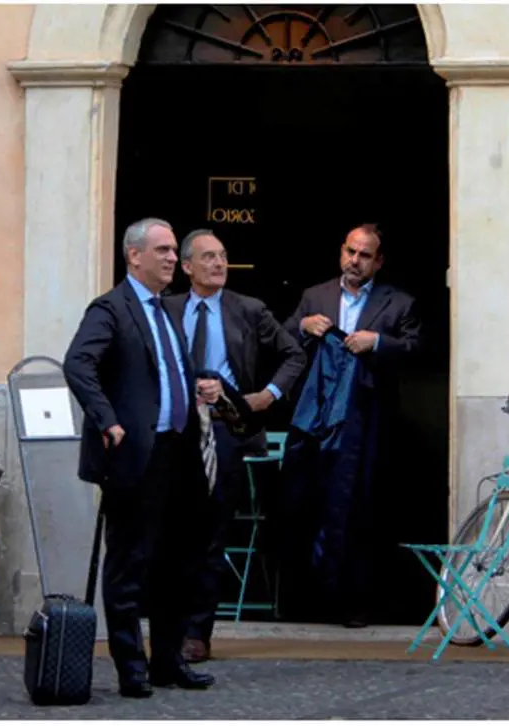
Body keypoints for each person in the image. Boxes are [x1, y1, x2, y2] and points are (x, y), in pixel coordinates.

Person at [63, 218, 222, 698]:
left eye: (175, 250)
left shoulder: (167, 310)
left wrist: (197, 387)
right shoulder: (111, 308)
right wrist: (107, 419)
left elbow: (162, 373)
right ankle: (131, 667)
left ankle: (167, 662)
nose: (173, 258)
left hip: (179, 451)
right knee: (130, 565)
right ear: (134, 256)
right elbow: (78, 363)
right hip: (135, 455)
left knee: (180, 561)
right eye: (163, 250)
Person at [166, 229, 306, 663]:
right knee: (172, 529)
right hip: (174, 429)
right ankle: (166, 624)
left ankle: (197, 633)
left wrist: (267, 396)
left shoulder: (248, 309)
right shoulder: (164, 310)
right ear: (187, 266)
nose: (218, 264)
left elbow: (294, 355)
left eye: (223, 256)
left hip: (227, 427)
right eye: (208, 257)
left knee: (210, 530)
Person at [281, 223, 421, 628]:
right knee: (309, 503)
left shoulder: (399, 303)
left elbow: (417, 348)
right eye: (350, 252)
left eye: (364, 255)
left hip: (370, 423)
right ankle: (306, 601)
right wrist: (303, 327)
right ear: (341, 251)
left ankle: (358, 602)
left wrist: (377, 342)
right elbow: (282, 339)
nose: (354, 261)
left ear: (379, 261)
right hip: (318, 421)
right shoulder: (315, 296)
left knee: (362, 509)